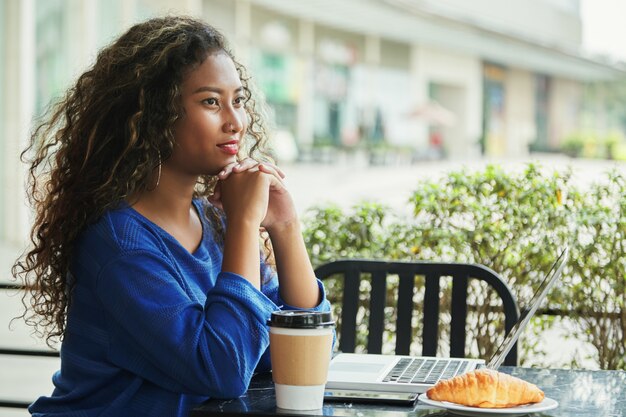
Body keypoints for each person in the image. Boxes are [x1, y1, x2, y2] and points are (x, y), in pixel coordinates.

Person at [13, 15, 331, 417]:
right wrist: (247, 225)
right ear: (153, 117)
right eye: (211, 102)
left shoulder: (214, 223)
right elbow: (222, 369)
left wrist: (285, 228)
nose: (236, 122)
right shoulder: (118, 243)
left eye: (238, 100)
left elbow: (307, 355)